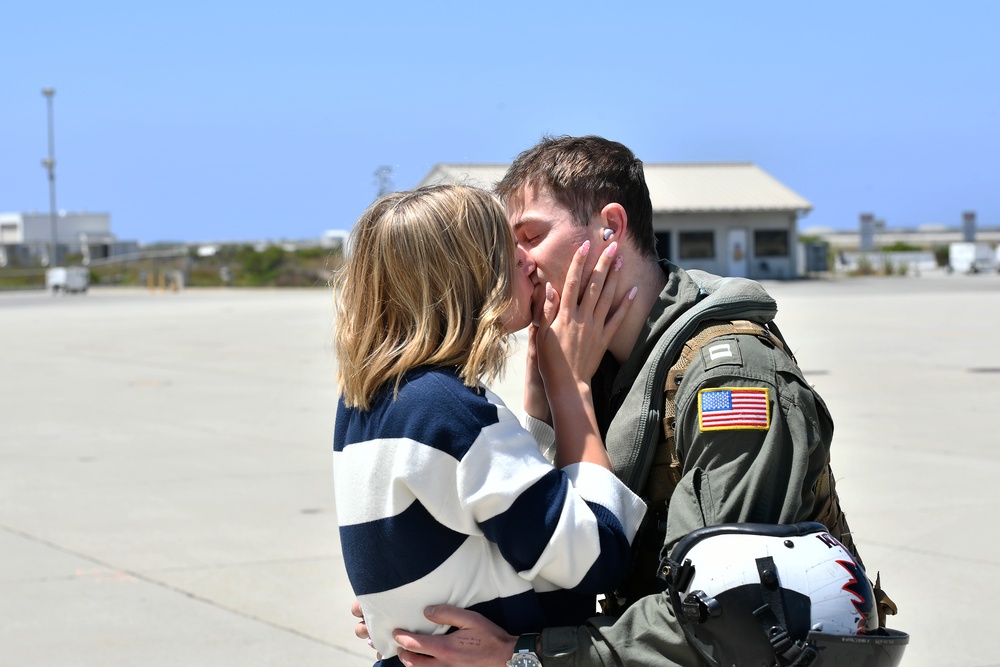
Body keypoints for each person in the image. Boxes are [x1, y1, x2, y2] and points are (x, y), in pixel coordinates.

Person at [374, 136, 898, 666]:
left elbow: (732, 614)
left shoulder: (731, 381)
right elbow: (545, 537)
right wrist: (433, 594)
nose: (518, 262)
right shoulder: (593, 363)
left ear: (611, 228)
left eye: (531, 236)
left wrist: (524, 656)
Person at [332, 184, 648, 666]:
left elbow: (499, 522)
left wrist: (538, 400)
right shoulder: (449, 413)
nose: (526, 261)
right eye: (505, 249)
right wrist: (571, 391)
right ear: (463, 276)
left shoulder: (369, 401)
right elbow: (596, 556)